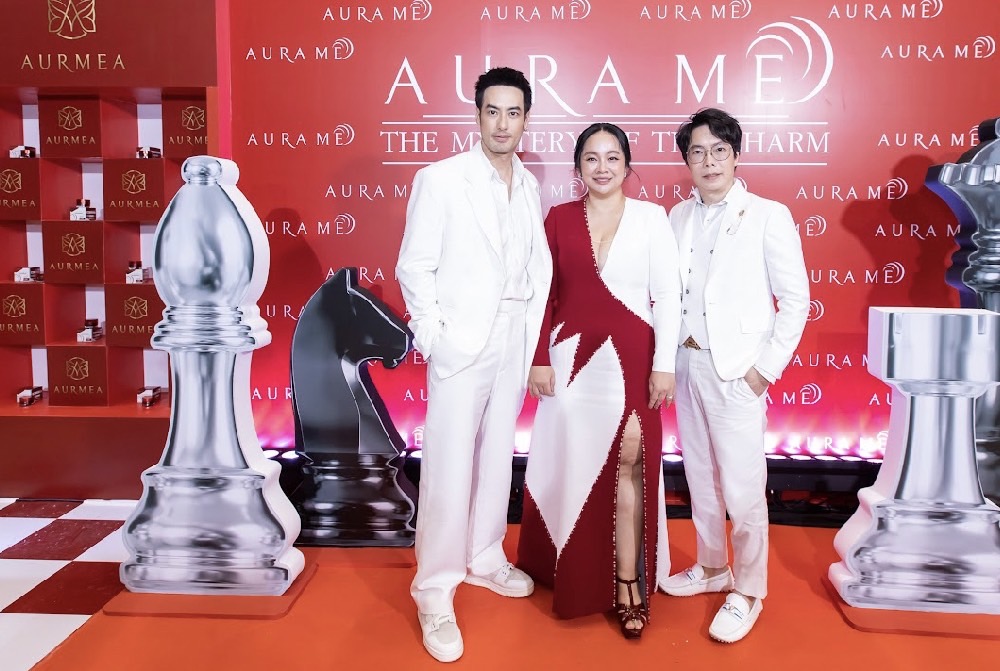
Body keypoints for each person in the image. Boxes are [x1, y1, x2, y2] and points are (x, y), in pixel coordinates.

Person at [395, 66, 552, 664]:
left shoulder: (529, 186)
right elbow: (414, 265)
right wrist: (434, 338)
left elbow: (533, 270)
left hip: (514, 336)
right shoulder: (441, 179)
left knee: (495, 455)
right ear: (477, 115)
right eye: (492, 111)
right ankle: (434, 590)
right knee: (448, 464)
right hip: (461, 341)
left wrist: (531, 342)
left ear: (526, 119)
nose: (502, 124)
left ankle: (484, 555)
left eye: (513, 113)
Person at [516, 122, 681, 639]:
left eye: (613, 157)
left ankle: (629, 581)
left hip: (633, 359)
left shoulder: (653, 218)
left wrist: (664, 364)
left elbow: (668, 295)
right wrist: (537, 357)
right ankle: (573, 568)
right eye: (592, 158)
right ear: (578, 168)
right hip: (568, 362)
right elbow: (544, 294)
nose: (603, 167)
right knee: (575, 465)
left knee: (630, 464)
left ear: (628, 166)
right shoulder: (559, 218)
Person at [660, 108, 809, 643]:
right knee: (700, 477)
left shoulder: (768, 215)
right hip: (687, 364)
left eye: (718, 150)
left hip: (737, 373)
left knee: (744, 490)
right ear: (687, 161)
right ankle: (711, 566)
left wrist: (762, 371)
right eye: (697, 152)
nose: (709, 162)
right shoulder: (676, 216)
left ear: (736, 155)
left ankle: (748, 590)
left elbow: (796, 300)